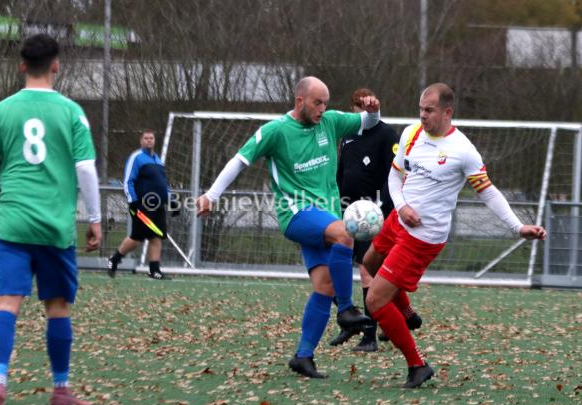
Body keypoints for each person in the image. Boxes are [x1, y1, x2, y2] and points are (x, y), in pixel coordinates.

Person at [363, 82, 547, 388]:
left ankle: (417, 365)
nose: (423, 115)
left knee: (375, 300)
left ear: (447, 112)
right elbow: (394, 176)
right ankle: (406, 312)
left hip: (422, 237)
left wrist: (517, 227)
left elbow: (488, 192)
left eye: (429, 110)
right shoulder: (411, 133)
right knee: (368, 263)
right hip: (399, 218)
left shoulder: (463, 151)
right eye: (420, 109)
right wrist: (402, 206)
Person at [196, 76, 380, 379]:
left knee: (324, 286)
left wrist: (373, 110)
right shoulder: (276, 130)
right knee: (346, 233)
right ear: (300, 101)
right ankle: (347, 310)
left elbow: (369, 121)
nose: (322, 109)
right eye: (317, 103)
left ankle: (303, 357)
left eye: (325, 103)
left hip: (325, 217)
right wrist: (211, 195)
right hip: (296, 214)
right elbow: (239, 160)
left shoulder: (330, 122)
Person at [0, 34, 101, 405]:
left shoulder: (1, 111)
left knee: (7, 302)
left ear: (22, 66)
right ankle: (60, 390)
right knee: (58, 306)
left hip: (12, 224)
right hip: (55, 226)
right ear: (56, 65)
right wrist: (95, 218)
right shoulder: (72, 112)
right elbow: (86, 168)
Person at [330, 87, 422, 352]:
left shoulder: (387, 135)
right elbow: (342, 172)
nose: (361, 112)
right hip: (347, 211)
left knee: (367, 270)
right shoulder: (349, 135)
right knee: (337, 267)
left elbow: (395, 176)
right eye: (357, 107)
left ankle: (369, 333)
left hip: (371, 214)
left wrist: (381, 208)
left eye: (364, 107)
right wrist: (336, 203)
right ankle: (397, 316)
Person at [107, 129, 177, 280]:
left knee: (156, 236)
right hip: (142, 206)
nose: (149, 140)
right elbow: (128, 181)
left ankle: (154, 270)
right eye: (146, 138)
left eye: (151, 138)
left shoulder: (158, 160)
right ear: (141, 141)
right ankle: (114, 259)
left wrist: (172, 201)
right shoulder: (136, 158)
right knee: (137, 238)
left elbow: (163, 184)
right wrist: (133, 202)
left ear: (154, 141)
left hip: (158, 207)